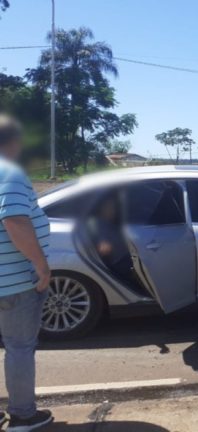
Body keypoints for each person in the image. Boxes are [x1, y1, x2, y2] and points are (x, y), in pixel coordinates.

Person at [0, 115, 53, 431]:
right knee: (19, 347)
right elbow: (16, 222)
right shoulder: (11, 174)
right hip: (14, 283)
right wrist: (41, 265)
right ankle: (22, 416)